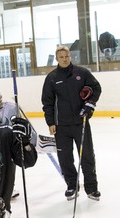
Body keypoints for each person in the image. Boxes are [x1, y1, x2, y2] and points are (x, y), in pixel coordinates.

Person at [41, 45, 101, 201]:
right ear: (57, 58)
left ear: (70, 56)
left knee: (87, 156)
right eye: (61, 57)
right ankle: (72, 186)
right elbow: (47, 102)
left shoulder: (82, 73)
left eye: (66, 56)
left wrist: (90, 105)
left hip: (80, 122)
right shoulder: (52, 78)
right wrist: (50, 122)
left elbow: (96, 88)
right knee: (65, 158)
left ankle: (91, 188)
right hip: (61, 126)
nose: (64, 59)